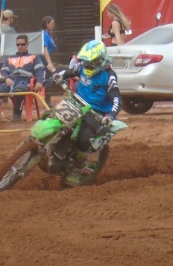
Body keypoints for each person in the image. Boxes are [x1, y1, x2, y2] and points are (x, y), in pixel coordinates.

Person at [50, 39, 122, 186]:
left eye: (91, 63)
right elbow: (69, 72)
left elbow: (116, 98)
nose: (87, 65)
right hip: (76, 103)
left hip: (96, 112)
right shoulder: (82, 67)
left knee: (83, 138)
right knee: (54, 115)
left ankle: (78, 168)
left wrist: (111, 116)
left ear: (100, 60)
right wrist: (60, 75)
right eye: (86, 62)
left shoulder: (109, 75)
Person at [0, 33, 47, 125]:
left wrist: (39, 82)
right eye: (18, 44)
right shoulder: (10, 59)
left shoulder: (34, 57)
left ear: (27, 44)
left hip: (25, 81)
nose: (20, 46)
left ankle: (17, 114)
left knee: (19, 91)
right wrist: (7, 78)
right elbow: (3, 71)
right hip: (10, 81)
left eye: (22, 44)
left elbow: (40, 70)